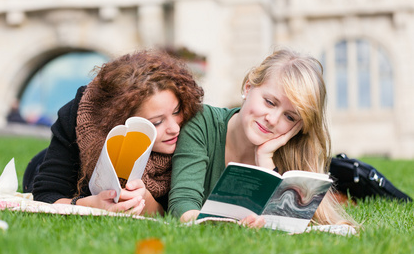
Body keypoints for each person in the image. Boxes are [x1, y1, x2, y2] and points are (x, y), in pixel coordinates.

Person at [168, 48, 357, 228]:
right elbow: (182, 205)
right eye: (269, 102)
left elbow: (287, 225)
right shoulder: (203, 122)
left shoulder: (290, 151)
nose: (272, 120)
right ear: (248, 88)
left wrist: (266, 163)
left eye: (290, 117)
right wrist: (225, 224)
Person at [24, 49, 204, 216]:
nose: (174, 128)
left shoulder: (194, 129)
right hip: (44, 166)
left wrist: (146, 201)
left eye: (176, 111)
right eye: (156, 123)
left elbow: (174, 211)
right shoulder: (76, 115)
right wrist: (89, 205)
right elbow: (46, 195)